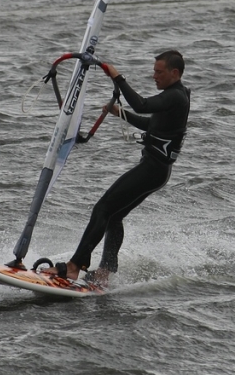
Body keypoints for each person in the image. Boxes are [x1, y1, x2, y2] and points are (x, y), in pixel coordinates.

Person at [47, 50, 190, 283]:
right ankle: (105, 272)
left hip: (154, 169)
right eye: (154, 71)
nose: (154, 76)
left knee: (102, 208)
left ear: (174, 73)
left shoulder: (176, 96)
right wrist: (120, 113)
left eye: (159, 72)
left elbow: (142, 105)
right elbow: (151, 124)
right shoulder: (175, 96)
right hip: (156, 169)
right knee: (113, 216)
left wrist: (117, 76)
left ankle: (74, 266)